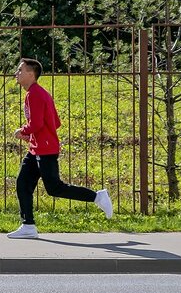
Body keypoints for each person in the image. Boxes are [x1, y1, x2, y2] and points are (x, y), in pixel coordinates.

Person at [8, 58, 113, 239]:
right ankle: (28, 225)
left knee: (55, 188)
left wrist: (22, 131)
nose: (16, 73)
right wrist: (33, 136)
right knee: (23, 183)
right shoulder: (38, 93)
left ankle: (98, 197)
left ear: (31, 74)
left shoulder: (34, 94)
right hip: (37, 149)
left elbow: (37, 123)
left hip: (45, 150)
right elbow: (55, 122)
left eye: (20, 70)